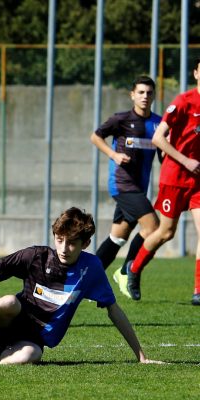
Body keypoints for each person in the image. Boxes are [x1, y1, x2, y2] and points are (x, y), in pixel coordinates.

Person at [0, 207, 161, 365]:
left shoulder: (90, 269)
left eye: (71, 242)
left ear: (85, 244)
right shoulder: (36, 256)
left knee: (30, 357)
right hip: (9, 321)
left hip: (35, 338)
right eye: (59, 240)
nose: (64, 248)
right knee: (10, 302)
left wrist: (140, 355)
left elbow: (114, 311)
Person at [126, 58, 200, 305]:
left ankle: (198, 290)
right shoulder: (184, 101)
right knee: (166, 232)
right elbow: (158, 138)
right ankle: (134, 269)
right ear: (196, 73)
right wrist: (186, 161)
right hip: (176, 177)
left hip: (198, 181)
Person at [90, 75, 161, 297]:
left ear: (154, 96)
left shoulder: (158, 124)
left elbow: (163, 156)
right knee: (153, 227)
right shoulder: (121, 119)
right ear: (132, 95)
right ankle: (127, 270)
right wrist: (114, 154)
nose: (145, 96)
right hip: (122, 185)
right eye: (140, 92)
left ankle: (88, 282)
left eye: (149, 93)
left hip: (139, 188)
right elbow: (95, 136)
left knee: (117, 237)